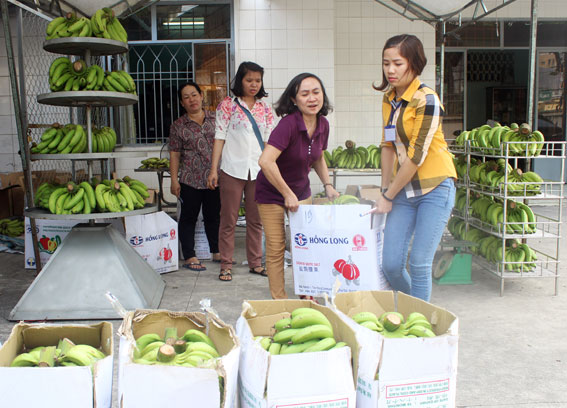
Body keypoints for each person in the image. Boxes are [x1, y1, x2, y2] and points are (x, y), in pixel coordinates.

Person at [371, 34, 457, 301]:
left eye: (398, 63)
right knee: (392, 265)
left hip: (435, 187)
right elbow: (387, 145)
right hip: (403, 190)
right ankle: (415, 309)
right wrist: (385, 189)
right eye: (386, 64)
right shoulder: (389, 100)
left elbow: (416, 156)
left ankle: (418, 326)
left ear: (414, 64)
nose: (390, 70)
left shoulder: (427, 99)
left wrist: (388, 196)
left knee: (419, 262)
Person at [256, 73, 339, 299]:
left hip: (301, 191)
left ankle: (307, 292)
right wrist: (286, 193)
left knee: (305, 246)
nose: (312, 98)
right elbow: (265, 161)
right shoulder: (288, 125)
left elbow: (319, 156)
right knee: (276, 248)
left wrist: (328, 184)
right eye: (305, 94)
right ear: (294, 100)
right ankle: (280, 300)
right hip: (271, 192)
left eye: (316, 92)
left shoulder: (323, 124)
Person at [207, 61, 275, 282]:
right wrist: (213, 170)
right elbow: (219, 137)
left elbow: (268, 141)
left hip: (258, 171)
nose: (254, 84)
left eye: (257, 80)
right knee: (229, 219)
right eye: (249, 80)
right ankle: (226, 264)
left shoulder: (265, 108)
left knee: (256, 220)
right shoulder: (227, 105)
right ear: (240, 81)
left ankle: (255, 262)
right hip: (231, 169)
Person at [169, 81, 220, 271]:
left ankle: (217, 251)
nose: (191, 99)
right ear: (182, 103)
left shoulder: (216, 119)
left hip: (215, 178)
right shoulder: (178, 126)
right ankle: (189, 256)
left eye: (194, 94)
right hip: (190, 179)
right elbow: (174, 154)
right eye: (186, 97)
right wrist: (174, 180)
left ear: (201, 96)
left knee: (213, 216)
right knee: (188, 218)